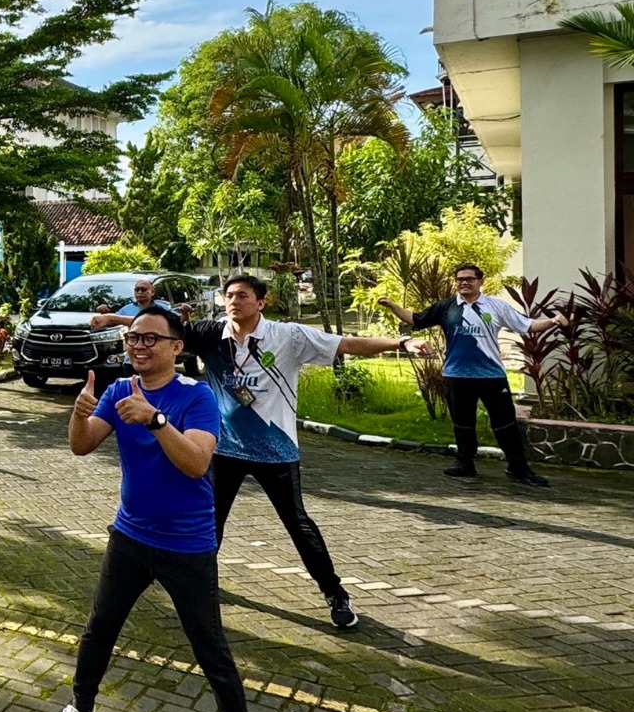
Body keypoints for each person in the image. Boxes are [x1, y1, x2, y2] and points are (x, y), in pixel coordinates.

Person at [99, 274, 428, 630]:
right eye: (229, 295)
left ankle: (335, 594)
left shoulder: (288, 337)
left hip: (276, 450)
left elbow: (346, 344)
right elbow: (159, 330)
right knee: (209, 522)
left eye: (242, 295)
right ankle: (196, 585)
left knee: (299, 526)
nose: (233, 301)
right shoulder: (211, 334)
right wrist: (113, 320)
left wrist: (400, 342)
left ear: (261, 302)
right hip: (224, 448)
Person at [46, 309, 262, 712]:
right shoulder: (119, 390)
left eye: (150, 337)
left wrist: (156, 419)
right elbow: (82, 448)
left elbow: (197, 463)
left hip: (187, 547)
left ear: (176, 346)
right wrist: (79, 414)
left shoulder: (196, 396)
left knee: (210, 648)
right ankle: (81, 711)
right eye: (132, 337)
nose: (138, 345)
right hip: (129, 538)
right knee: (99, 629)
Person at [379, 264, 565, 486]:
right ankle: (464, 463)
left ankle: (518, 467)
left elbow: (527, 325)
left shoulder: (496, 307)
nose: (463, 283)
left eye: (469, 279)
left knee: (505, 423)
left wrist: (552, 322)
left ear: (480, 281)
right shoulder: (446, 307)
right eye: (459, 279)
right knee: (463, 423)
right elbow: (416, 319)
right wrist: (392, 306)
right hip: (456, 375)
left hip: (491, 375)